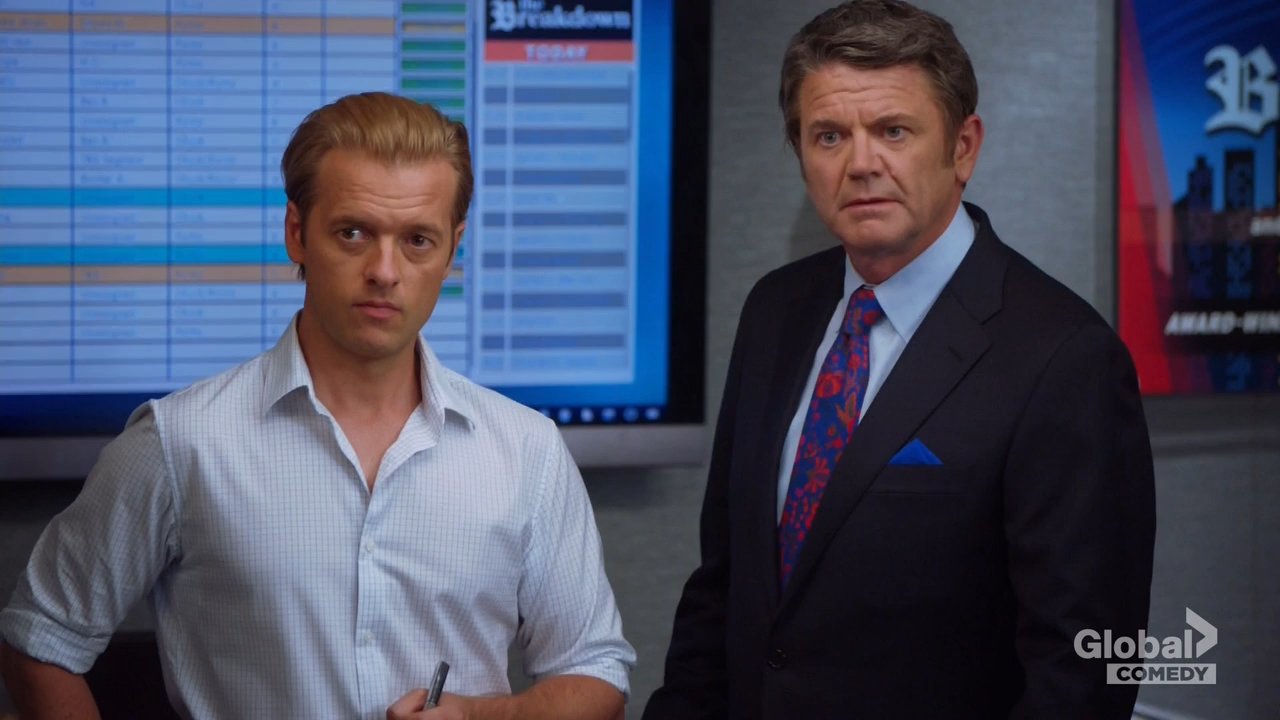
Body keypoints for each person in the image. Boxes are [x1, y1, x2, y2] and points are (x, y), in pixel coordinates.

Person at [0, 92, 634, 720]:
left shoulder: (526, 450)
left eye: (418, 240)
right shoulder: (180, 440)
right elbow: (40, 640)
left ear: (452, 250)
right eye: (353, 233)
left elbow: (594, 669)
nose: (384, 271)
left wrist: (480, 718)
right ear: (297, 234)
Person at [645, 2, 1156, 718]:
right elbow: (724, 586)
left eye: (893, 130)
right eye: (829, 135)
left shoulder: (1066, 358)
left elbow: (1080, 676)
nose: (860, 164)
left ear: (963, 147)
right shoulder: (775, 310)